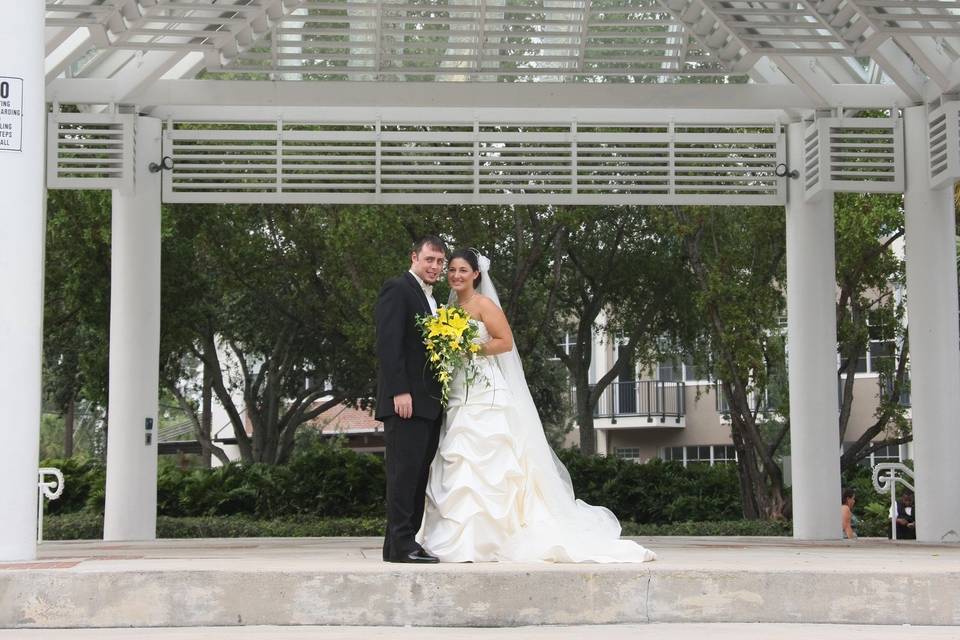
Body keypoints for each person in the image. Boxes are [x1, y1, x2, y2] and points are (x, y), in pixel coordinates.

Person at [417, 249, 656, 563]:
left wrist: (471, 345)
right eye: (452, 270)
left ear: (476, 274)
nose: (456, 275)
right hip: (460, 390)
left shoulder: (483, 305)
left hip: (485, 392)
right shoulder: (447, 309)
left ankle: (495, 537)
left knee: (492, 460)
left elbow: (505, 341)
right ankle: (460, 538)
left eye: (463, 270)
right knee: (457, 457)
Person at [374, 235, 448, 563]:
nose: (434, 267)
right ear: (414, 257)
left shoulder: (433, 299)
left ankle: (401, 546)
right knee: (403, 475)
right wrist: (399, 391)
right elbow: (389, 345)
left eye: (440, 262)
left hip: (428, 405)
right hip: (406, 402)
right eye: (429, 259)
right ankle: (402, 545)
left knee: (417, 475)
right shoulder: (398, 288)